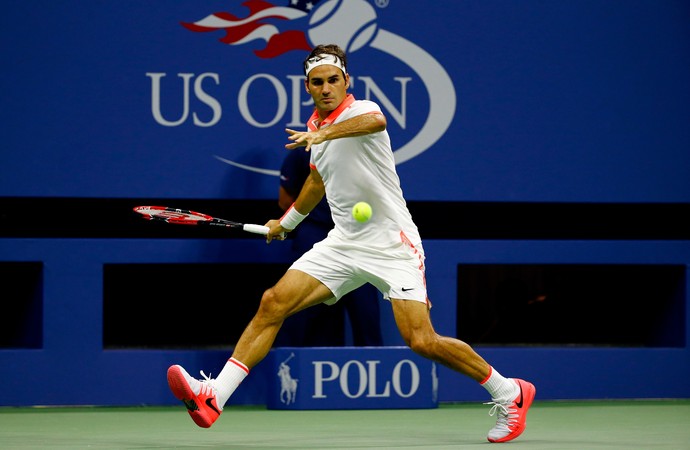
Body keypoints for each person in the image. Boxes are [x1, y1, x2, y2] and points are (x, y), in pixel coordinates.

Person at [166, 44, 536, 444]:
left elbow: (376, 122)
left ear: (347, 82)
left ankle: (510, 392)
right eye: (317, 82)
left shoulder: (361, 112)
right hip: (343, 243)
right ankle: (215, 396)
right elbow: (316, 183)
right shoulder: (315, 129)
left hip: (392, 244)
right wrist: (286, 223)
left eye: (333, 81)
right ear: (307, 86)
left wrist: (322, 132)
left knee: (421, 341)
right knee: (273, 302)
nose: (326, 88)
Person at [274, 145, 383, 347]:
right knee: (300, 309)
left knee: (366, 314)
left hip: (356, 239)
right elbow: (285, 201)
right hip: (314, 235)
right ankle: (291, 368)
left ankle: (374, 368)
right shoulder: (302, 153)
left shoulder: (366, 150)